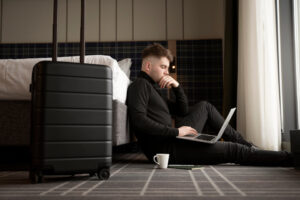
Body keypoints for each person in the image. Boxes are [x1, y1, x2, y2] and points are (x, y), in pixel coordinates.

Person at [126, 43, 294, 166]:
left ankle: (249, 146)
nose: (166, 72)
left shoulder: (152, 90)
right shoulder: (139, 86)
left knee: (204, 106)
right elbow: (139, 121)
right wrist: (177, 131)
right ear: (148, 66)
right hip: (166, 149)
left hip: (173, 140)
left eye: (167, 68)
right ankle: (289, 158)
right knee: (234, 151)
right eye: (163, 67)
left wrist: (177, 87)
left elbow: (182, 111)